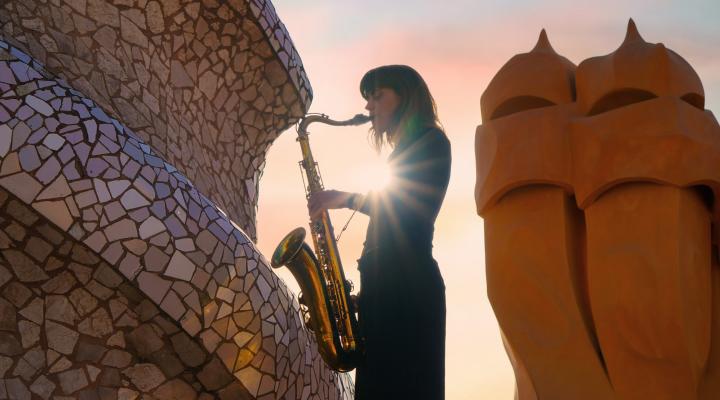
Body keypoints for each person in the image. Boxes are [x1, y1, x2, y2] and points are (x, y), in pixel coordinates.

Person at [308, 65, 451, 399]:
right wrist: (358, 302)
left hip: (408, 292)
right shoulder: (403, 152)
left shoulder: (431, 141)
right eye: (367, 98)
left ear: (406, 97)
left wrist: (344, 199)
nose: (369, 107)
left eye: (377, 96)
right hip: (391, 290)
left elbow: (403, 204)